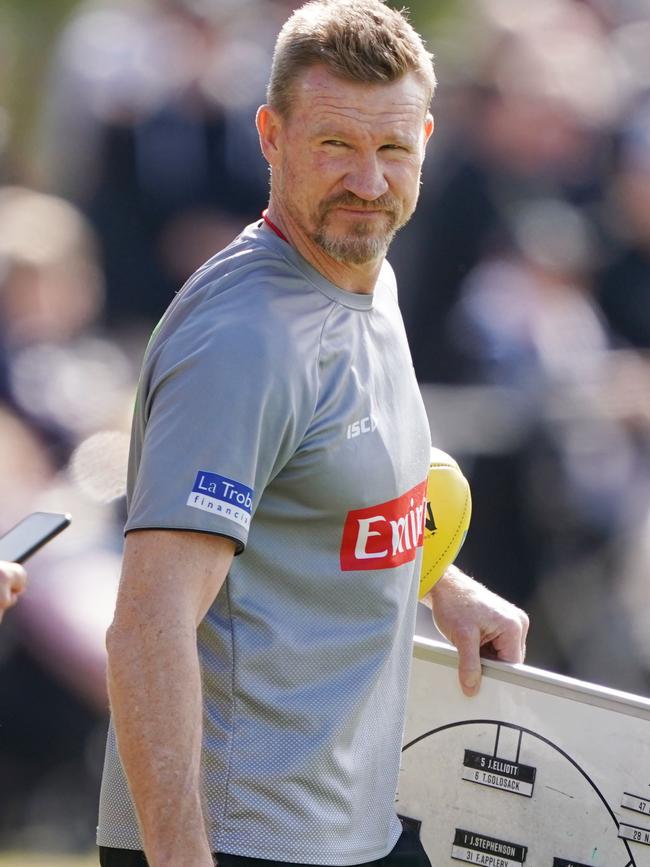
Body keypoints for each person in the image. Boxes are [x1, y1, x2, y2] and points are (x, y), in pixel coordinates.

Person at [97, 2, 529, 866]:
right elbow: (148, 625)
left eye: (393, 148)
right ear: (271, 134)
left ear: (427, 142)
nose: (368, 181)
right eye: (336, 144)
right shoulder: (244, 338)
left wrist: (439, 582)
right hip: (241, 840)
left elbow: (318, 496)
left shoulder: (370, 274)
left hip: (352, 826)